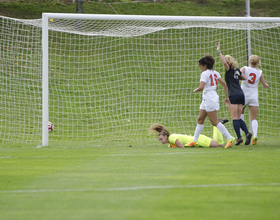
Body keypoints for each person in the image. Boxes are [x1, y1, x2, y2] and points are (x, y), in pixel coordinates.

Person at [185, 55, 235, 149]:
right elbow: (224, 84)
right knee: (200, 119)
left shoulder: (204, 73)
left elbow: (201, 87)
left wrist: (195, 90)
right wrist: (226, 97)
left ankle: (230, 138)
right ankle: (194, 141)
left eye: (200, 66)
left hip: (209, 99)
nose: (200, 68)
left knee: (214, 121)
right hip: (208, 98)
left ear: (205, 65)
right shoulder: (215, 73)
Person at [217, 42, 252, 146]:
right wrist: (237, 77)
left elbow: (224, 63)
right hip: (241, 94)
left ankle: (239, 138)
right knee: (239, 117)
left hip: (233, 95)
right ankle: (247, 133)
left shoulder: (229, 70)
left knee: (234, 118)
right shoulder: (236, 70)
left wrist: (219, 52)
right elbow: (245, 78)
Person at [240, 55, 269, 145]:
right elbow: (264, 85)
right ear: (258, 63)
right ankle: (255, 135)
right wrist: (267, 85)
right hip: (253, 96)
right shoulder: (260, 72)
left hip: (244, 95)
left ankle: (240, 134)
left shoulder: (244, 68)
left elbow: (237, 75)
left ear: (249, 61)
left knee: (240, 114)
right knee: (253, 118)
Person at [149, 119, 229, 148]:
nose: (161, 141)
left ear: (166, 136)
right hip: (197, 140)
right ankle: (217, 125)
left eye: (161, 139)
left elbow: (181, 146)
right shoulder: (170, 140)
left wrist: (175, 147)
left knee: (219, 145)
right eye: (159, 140)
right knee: (218, 143)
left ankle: (217, 124)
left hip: (199, 140)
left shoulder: (172, 138)